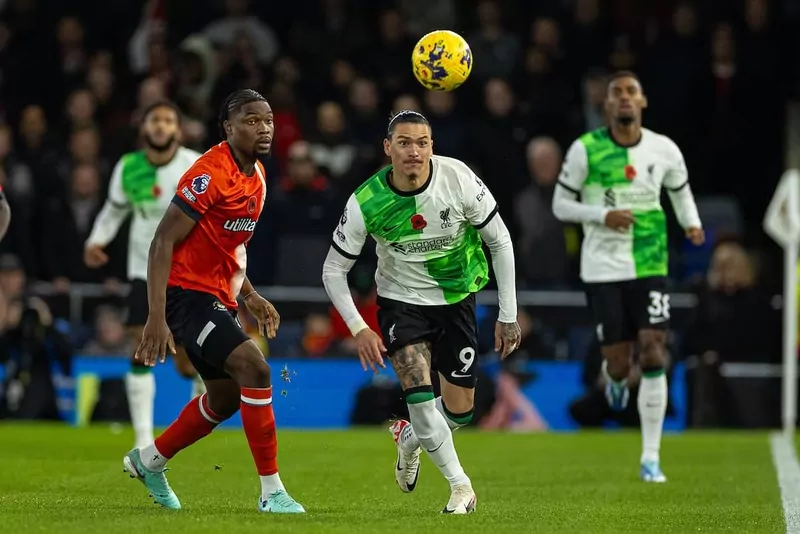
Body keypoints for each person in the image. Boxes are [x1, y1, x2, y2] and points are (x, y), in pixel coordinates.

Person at [322, 110, 521, 514]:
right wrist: (359, 327)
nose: (414, 151)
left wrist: (508, 314)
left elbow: (499, 242)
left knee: (460, 411)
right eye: (404, 143)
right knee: (418, 392)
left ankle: (411, 439)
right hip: (401, 302)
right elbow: (333, 269)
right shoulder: (367, 201)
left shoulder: (458, 179)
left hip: (457, 299)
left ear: (432, 146)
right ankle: (461, 487)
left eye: (422, 143)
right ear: (387, 148)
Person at [123, 89, 305, 514]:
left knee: (223, 399)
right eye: (251, 120)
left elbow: (229, 249)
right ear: (228, 126)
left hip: (218, 297)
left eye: (268, 120)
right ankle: (271, 491)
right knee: (255, 367)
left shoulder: (257, 179)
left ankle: (149, 461)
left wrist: (251, 295)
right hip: (185, 295)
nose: (263, 128)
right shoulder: (207, 173)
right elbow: (162, 240)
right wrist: (155, 317)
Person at [552, 71, 704, 483]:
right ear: (606, 104)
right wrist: (602, 215)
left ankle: (651, 458)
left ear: (643, 102)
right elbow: (561, 205)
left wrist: (691, 223)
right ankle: (614, 379)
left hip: (651, 262)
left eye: (631, 92)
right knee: (619, 363)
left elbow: (680, 189)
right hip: (602, 267)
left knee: (655, 349)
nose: (624, 98)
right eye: (616, 92)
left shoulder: (663, 149)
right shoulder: (586, 150)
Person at [84, 101, 203, 450]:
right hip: (143, 271)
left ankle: (201, 396)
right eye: (156, 120)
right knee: (141, 350)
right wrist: (96, 240)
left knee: (185, 364)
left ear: (178, 130)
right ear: (145, 128)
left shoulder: (194, 166)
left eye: (168, 120)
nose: (161, 126)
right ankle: (141, 438)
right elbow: (114, 210)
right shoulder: (129, 166)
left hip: (185, 273)